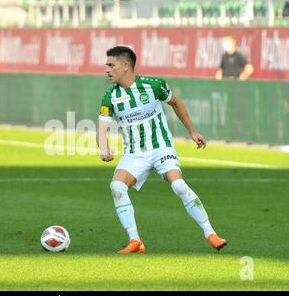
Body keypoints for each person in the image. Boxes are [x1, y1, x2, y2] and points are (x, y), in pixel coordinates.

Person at [97, 46, 227, 254]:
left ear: (125, 65)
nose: (107, 70)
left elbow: (176, 103)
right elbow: (102, 126)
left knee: (179, 186)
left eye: (111, 65)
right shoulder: (110, 97)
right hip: (134, 154)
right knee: (117, 187)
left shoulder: (153, 85)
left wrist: (192, 132)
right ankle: (135, 241)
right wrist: (104, 148)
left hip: (161, 147)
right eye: (107, 65)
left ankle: (211, 233)